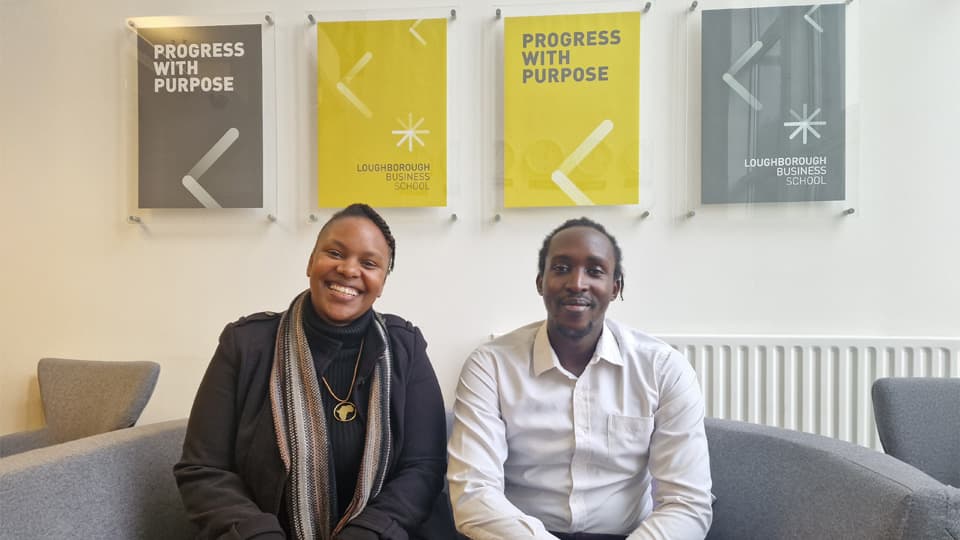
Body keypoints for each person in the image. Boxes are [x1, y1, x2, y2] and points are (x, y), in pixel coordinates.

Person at [175, 203, 454, 540]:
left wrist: (368, 533)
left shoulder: (405, 348)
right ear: (311, 262)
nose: (349, 270)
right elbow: (204, 469)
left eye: (369, 263)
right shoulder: (246, 344)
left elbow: (423, 468)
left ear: (382, 282)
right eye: (335, 252)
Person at [447, 217, 713, 540]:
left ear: (616, 287)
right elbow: (474, 495)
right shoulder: (490, 366)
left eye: (595, 271)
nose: (577, 283)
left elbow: (686, 503)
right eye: (560, 268)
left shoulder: (663, 368)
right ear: (540, 282)